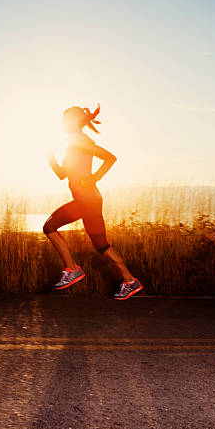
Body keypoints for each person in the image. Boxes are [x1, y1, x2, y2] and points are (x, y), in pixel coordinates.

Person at [43, 104, 143, 300]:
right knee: (101, 245)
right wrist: (50, 155)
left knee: (49, 226)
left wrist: (94, 178)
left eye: (65, 119)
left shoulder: (81, 141)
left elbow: (109, 157)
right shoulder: (73, 144)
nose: (62, 123)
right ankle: (131, 281)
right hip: (86, 200)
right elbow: (62, 174)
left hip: (87, 199)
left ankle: (73, 269)